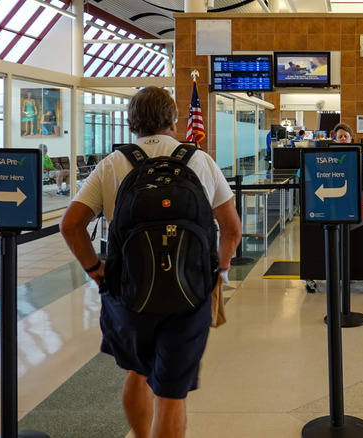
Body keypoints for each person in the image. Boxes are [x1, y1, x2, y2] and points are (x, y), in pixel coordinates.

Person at [59, 86, 242, 438]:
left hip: (129, 290)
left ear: (132, 123)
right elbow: (231, 229)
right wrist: (217, 273)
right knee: (172, 395)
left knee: (136, 372)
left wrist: (95, 270)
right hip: (189, 292)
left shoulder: (111, 164)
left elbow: (70, 225)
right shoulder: (199, 160)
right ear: (173, 121)